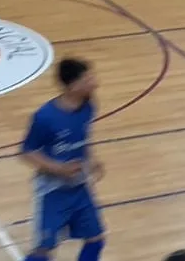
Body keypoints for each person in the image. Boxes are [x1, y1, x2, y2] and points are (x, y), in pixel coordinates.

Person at [20, 58, 106, 261]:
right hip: (53, 192)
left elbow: (82, 138)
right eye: (89, 79)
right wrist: (58, 168)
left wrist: (92, 160)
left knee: (96, 239)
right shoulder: (45, 116)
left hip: (79, 188)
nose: (95, 83)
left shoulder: (88, 107)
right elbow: (27, 151)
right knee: (43, 250)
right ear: (73, 85)